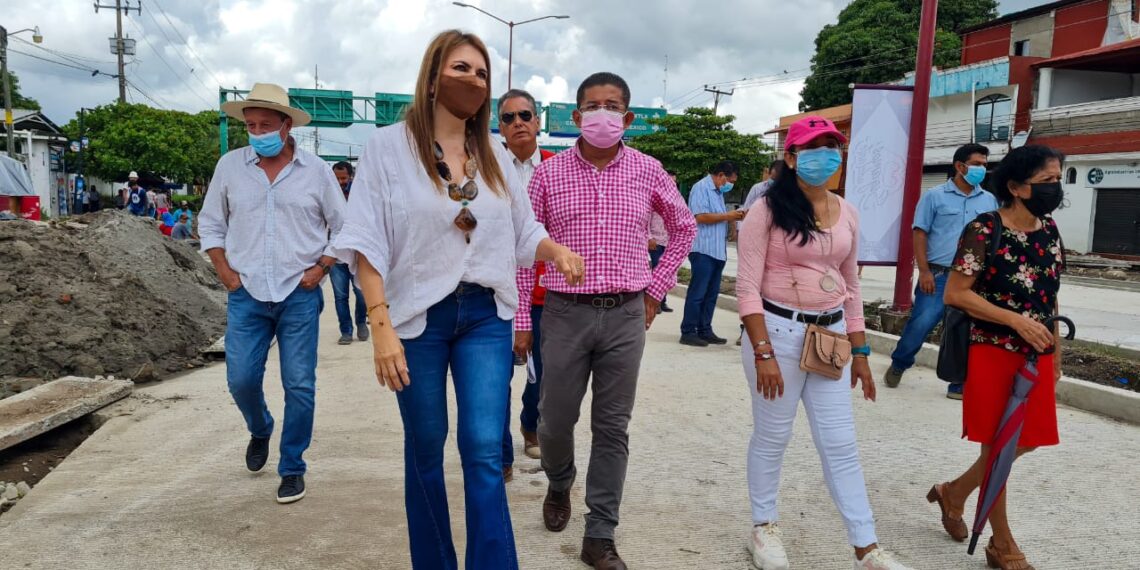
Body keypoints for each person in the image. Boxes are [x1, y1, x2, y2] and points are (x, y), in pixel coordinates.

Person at [333, 31, 583, 570]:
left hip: (485, 316)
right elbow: (367, 242)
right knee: (425, 449)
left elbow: (522, 230)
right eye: (462, 69)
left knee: (484, 450)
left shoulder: (491, 153)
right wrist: (380, 329)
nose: (473, 80)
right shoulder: (386, 148)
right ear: (432, 77)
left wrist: (552, 249)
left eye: (482, 73)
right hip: (417, 317)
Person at [518, 71, 697, 570]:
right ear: (576, 117)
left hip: (623, 315)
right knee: (554, 419)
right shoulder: (548, 175)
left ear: (628, 117)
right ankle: (559, 481)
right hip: (564, 313)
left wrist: (656, 292)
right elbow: (523, 248)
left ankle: (600, 533)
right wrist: (520, 320)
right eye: (592, 106)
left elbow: (683, 229)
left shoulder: (648, 170)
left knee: (612, 426)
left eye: (612, 106)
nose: (603, 114)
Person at [736, 116, 914, 570]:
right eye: (813, 148)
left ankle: (866, 546)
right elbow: (747, 287)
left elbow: (851, 285)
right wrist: (763, 353)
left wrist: (860, 352)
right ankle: (764, 526)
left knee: (839, 442)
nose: (826, 156)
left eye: (833, 147)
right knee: (773, 435)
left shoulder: (847, 211)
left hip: (830, 335)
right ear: (792, 158)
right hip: (776, 333)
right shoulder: (767, 209)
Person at [198, 82, 345, 505]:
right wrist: (225, 272)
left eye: (265, 124)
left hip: (298, 292)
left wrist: (321, 268)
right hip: (246, 293)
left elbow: (344, 226)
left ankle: (292, 466)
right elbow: (210, 224)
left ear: (286, 126)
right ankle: (260, 427)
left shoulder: (316, 172)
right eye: (250, 125)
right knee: (242, 379)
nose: (256, 131)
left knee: (299, 384)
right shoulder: (229, 167)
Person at [928, 145, 1066, 570]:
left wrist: (1057, 351)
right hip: (992, 351)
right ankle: (1001, 543)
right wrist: (1014, 320)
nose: (1055, 187)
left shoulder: (1050, 229)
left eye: (1058, 178)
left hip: (1036, 354)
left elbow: (1051, 293)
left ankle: (955, 492)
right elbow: (956, 294)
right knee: (1000, 446)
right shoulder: (984, 229)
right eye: (1046, 181)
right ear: (1015, 187)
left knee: (1025, 441)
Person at [884, 143, 998, 399]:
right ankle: (900, 363)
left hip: (971, 279)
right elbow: (920, 233)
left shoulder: (989, 200)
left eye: (984, 164)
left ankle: (957, 383)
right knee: (922, 323)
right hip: (937, 275)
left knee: (963, 329)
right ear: (960, 166)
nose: (982, 168)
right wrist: (923, 271)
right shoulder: (934, 196)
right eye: (978, 163)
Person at [498, 87, 556, 473]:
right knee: (494, 376)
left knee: (546, 372)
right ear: (499, 127)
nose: (517, 123)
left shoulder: (557, 166)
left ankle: (530, 426)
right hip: (497, 289)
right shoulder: (484, 166)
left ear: (537, 122)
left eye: (524, 115)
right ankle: (498, 452)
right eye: (508, 118)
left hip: (545, 292)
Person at [680, 160, 744, 347]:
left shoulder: (717, 193)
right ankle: (688, 331)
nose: (729, 185)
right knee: (698, 293)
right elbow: (700, 217)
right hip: (703, 250)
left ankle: (705, 330)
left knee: (711, 295)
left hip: (717, 252)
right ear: (721, 175)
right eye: (729, 181)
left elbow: (718, 217)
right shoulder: (701, 188)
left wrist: (731, 222)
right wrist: (729, 216)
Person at [329, 161, 368, 345]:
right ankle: (346, 330)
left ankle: (361, 322)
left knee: (361, 294)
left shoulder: (360, 194)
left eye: (343, 178)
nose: (340, 182)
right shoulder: (327, 193)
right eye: (336, 178)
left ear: (351, 176)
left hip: (357, 254)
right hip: (335, 256)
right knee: (340, 296)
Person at [647, 170, 678, 313]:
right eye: (670, 181)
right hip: (656, 241)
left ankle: (662, 301)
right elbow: (645, 220)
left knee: (666, 272)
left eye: (674, 182)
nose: (673, 184)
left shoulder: (674, 202)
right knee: (656, 271)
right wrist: (649, 237)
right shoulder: (653, 199)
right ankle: (653, 302)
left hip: (669, 242)